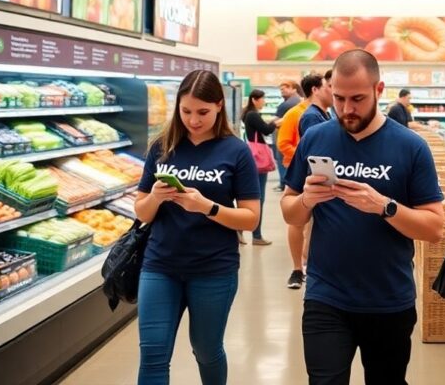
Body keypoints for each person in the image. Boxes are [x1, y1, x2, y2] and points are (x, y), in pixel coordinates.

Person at [281, 50, 444, 385]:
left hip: (388, 300)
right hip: (326, 296)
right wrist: (307, 200)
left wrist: (385, 206)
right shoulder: (316, 137)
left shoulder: (410, 146)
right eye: (339, 98)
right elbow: (289, 210)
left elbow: (434, 228)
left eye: (357, 99)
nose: (346, 109)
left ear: (378, 90)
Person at [133, 69, 261, 385]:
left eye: (202, 112)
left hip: (213, 268)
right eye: (186, 111)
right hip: (160, 265)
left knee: (206, 350)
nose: (193, 120)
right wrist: (156, 197)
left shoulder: (236, 151)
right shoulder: (162, 147)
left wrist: (207, 207)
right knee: (152, 354)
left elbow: (251, 218)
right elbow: (141, 212)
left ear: (219, 106)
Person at [276, 73, 322, 289]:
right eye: (329, 86)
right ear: (315, 89)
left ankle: (306, 263)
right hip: (300, 172)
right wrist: (304, 159)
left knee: (311, 223)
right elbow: (283, 143)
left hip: (318, 174)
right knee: (297, 221)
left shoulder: (324, 113)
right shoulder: (296, 114)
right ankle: (297, 268)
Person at [241, 89, 282, 246]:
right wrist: (276, 123)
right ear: (254, 99)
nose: (264, 102)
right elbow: (266, 130)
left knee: (252, 196)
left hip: (253, 156)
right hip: (259, 158)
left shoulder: (248, 114)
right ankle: (256, 235)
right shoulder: (253, 115)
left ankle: (240, 231)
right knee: (259, 197)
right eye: (262, 99)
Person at [273, 81, 302, 191]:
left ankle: (284, 183)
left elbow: (276, 122)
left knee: (283, 161)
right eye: (281, 89)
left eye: (285, 88)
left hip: (285, 138)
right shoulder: (300, 102)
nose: (282, 91)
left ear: (294, 89)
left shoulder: (286, 105)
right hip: (297, 139)